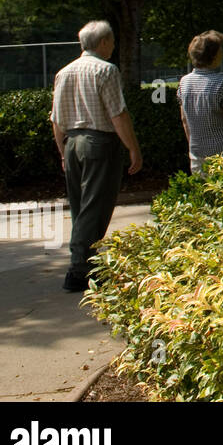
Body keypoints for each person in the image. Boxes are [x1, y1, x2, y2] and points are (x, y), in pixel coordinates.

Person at [49, 20, 143, 293]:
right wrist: (133, 147)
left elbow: (56, 119)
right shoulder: (106, 70)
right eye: (112, 41)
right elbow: (118, 113)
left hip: (72, 143)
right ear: (102, 43)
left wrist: (62, 151)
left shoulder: (63, 73)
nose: (113, 46)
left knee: (81, 208)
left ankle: (89, 265)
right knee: (95, 208)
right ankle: (78, 270)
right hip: (99, 144)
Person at [177, 30, 223, 175]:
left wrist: (193, 145)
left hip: (197, 152)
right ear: (214, 55)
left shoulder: (184, 82)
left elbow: (184, 119)